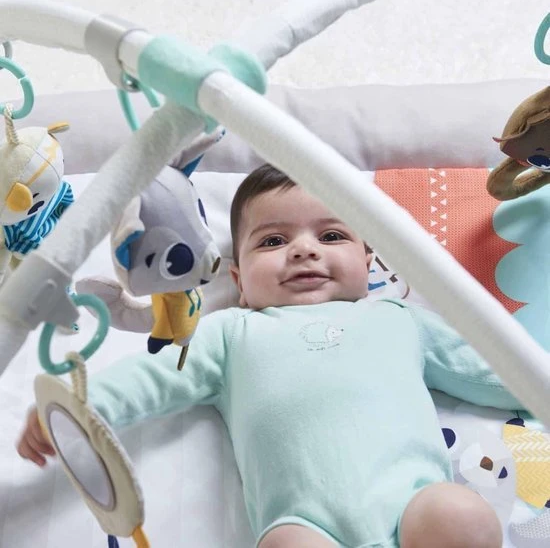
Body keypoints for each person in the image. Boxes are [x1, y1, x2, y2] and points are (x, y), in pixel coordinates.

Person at [17, 163, 522, 548]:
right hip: (307, 526)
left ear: (368, 262)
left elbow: (490, 368)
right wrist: (75, 407)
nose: (304, 250)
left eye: (331, 236)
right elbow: (150, 377)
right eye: (274, 240)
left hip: (417, 508)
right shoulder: (232, 332)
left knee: (462, 515)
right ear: (238, 280)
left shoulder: (398, 318)